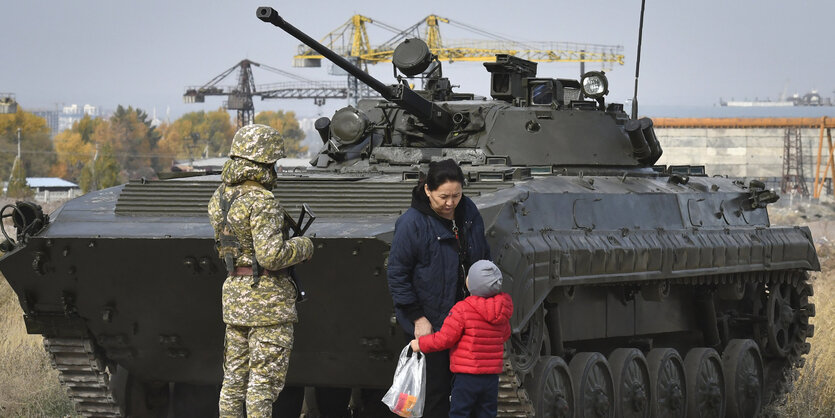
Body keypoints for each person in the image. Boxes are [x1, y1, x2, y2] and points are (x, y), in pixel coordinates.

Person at [208, 124, 314, 417]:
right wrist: (304, 246)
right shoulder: (262, 201)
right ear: (266, 161)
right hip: (267, 302)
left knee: (233, 381)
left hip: (235, 295)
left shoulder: (221, 197)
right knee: (262, 385)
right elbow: (272, 256)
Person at [387, 158, 491, 417]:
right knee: (431, 394)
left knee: (465, 396)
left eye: (456, 195)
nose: (450, 203)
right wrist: (417, 318)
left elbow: (484, 259)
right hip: (430, 323)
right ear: (427, 190)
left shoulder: (469, 213)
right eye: (443, 196)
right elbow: (397, 274)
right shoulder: (412, 223)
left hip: (467, 321)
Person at [410, 260, 513, 418]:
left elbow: (445, 339)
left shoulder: (462, 309)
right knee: (487, 413)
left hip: (467, 377)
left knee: (460, 413)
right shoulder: (502, 311)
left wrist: (421, 344)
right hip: (491, 377)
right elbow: (505, 334)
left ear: (469, 283)